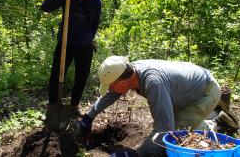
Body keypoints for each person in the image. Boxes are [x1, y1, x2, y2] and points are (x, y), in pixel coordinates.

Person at [80, 56, 223, 156]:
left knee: (172, 139)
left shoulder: (153, 83)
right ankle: (201, 121)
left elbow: (164, 130)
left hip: (204, 93)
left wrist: (137, 154)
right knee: (175, 126)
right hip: (184, 90)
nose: (110, 92)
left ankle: (214, 125)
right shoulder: (130, 72)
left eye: (110, 87)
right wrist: (89, 116)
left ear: (122, 83)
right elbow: (111, 95)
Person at [40, 0, 102, 116]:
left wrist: (88, 39)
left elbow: (95, 24)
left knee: (81, 76)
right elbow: (46, 7)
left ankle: (74, 105)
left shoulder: (96, 2)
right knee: (57, 75)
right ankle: (53, 104)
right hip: (65, 43)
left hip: (85, 46)